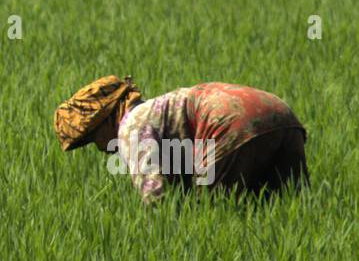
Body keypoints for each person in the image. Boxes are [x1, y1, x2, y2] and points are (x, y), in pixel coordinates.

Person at [54, 75, 309, 203]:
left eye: (93, 138)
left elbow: (156, 197)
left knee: (218, 220)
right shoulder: (158, 111)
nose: (100, 148)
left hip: (230, 125)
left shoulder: (132, 125)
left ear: (108, 118)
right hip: (282, 114)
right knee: (290, 207)